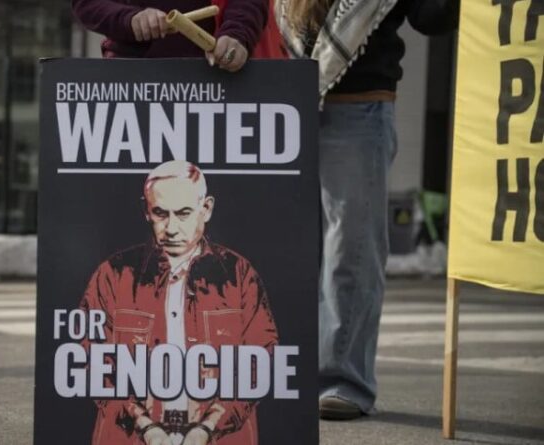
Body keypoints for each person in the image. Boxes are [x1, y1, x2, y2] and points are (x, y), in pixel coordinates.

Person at [276, 0, 459, 420]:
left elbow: (431, 16)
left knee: (351, 251)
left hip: (359, 105)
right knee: (292, 250)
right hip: (284, 100)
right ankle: (288, 377)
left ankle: (342, 382)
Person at [80, 160, 279, 445]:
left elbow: (261, 359)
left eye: (184, 213)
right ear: (146, 210)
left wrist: (209, 426)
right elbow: (91, 360)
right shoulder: (112, 275)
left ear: (206, 209)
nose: (172, 228)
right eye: (161, 213)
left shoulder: (239, 274)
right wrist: (145, 426)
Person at [71, 0, 273, 71]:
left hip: (214, 79)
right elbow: (87, 4)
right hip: (132, 81)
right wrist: (130, 18)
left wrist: (238, 33)